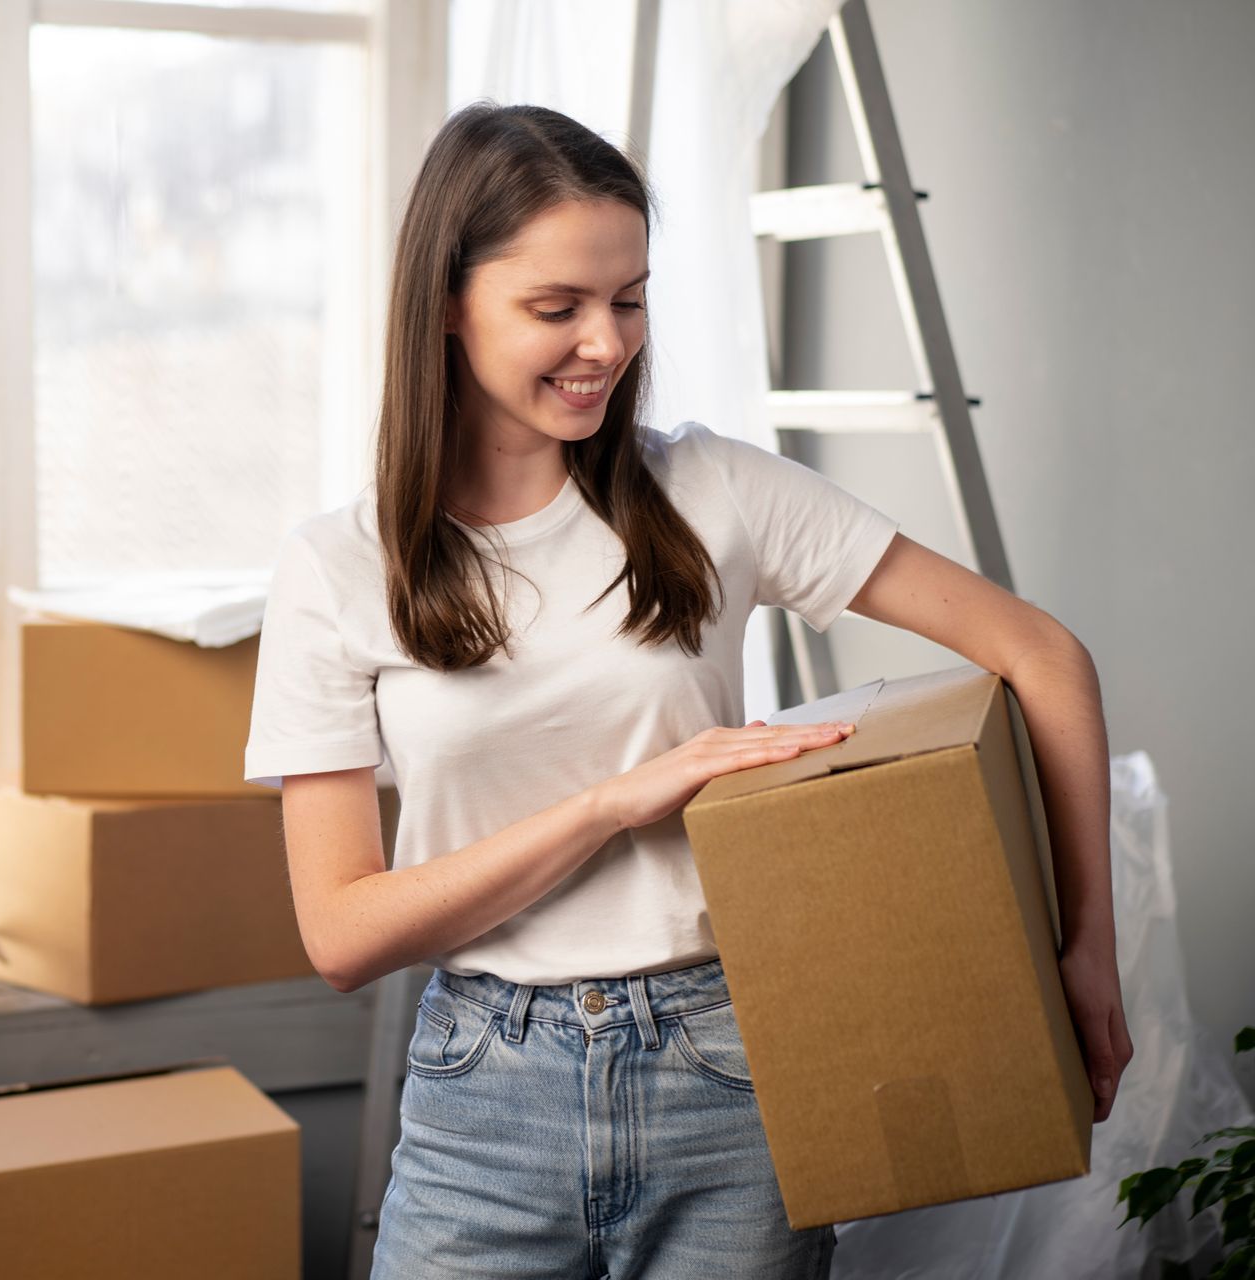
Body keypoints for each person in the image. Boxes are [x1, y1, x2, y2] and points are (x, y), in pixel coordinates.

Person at [242, 102, 1130, 1279]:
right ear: (446, 305)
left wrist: (1085, 947)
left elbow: (1045, 655)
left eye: (630, 297)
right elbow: (344, 932)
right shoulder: (339, 566)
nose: (605, 342)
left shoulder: (714, 490)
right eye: (555, 308)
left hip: (733, 1067)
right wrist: (613, 803)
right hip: (480, 1101)